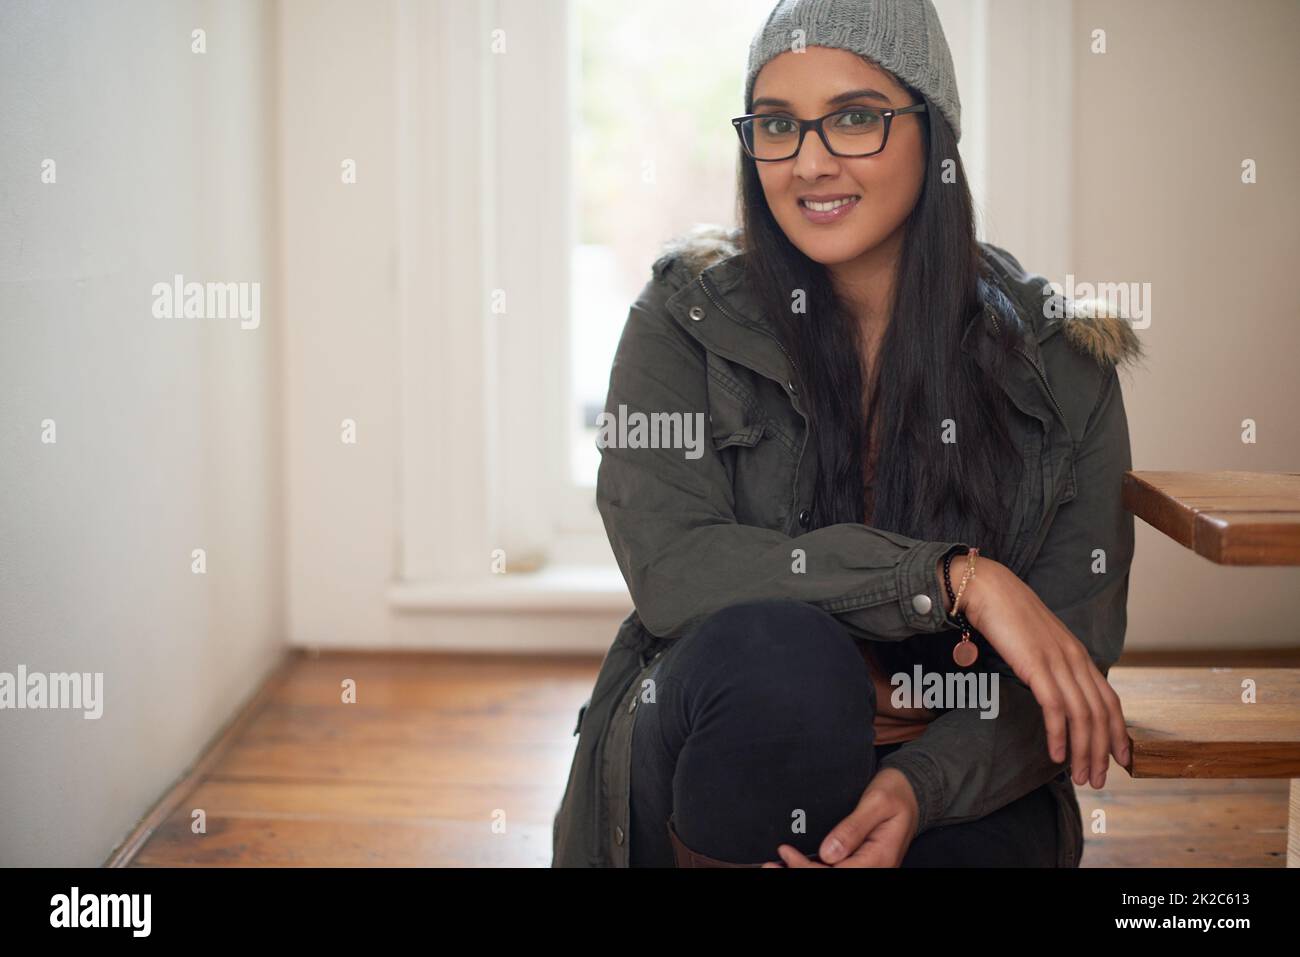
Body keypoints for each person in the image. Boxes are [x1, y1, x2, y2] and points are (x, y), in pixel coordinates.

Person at [550, 0, 1144, 869]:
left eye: (856, 118)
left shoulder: (1065, 364)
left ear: (933, 132)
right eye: (777, 126)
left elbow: (1064, 672)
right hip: (724, 747)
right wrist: (952, 579)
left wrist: (918, 784)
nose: (810, 163)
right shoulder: (684, 319)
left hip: (957, 765)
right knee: (779, 658)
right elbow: (677, 570)